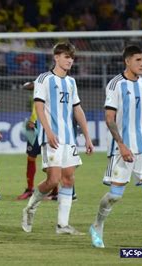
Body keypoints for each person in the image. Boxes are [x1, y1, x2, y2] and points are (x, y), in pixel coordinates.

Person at [90, 45, 142, 248]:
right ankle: (97, 225)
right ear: (127, 61)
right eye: (138, 60)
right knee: (115, 195)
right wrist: (122, 145)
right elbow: (109, 118)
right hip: (122, 148)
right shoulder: (115, 84)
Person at [22, 42, 93, 235]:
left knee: (68, 178)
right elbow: (39, 107)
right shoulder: (44, 79)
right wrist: (48, 131)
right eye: (66, 57)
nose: (70, 60)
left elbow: (77, 109)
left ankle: (62, 225)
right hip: (50, 137)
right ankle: (30, 208)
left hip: (69, 138)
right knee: (53, 180)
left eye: (72, 57)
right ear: (56, 57)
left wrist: (87, 136)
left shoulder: (71, 82)